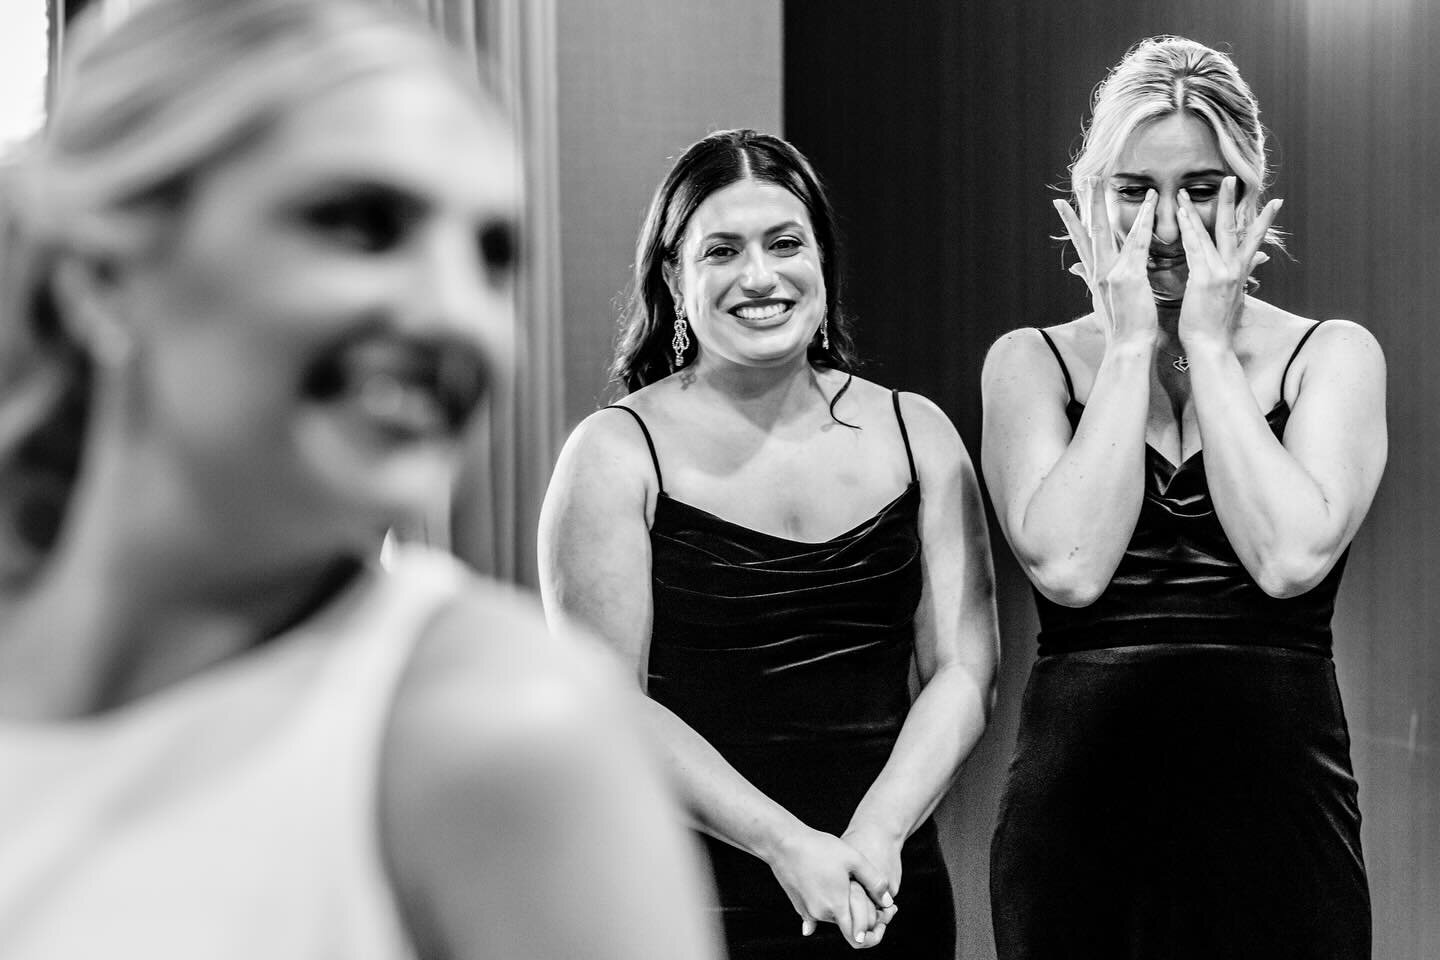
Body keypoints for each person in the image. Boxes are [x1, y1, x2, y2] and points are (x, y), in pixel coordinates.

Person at [0, 1, 720, 957]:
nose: (454, 315)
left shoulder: (506, 740)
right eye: (359, 224)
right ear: (102, 279)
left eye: (492, 255)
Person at [539, 128, 999, 957]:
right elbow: (609, 706)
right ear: (673, 279)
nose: (760, 276)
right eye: (722, 250)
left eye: (785, 243)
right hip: (696, 906)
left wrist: (874, 838)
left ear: (821, 261)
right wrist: (789, 847)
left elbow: (964, 669)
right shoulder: (612, 455)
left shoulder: (916, 431)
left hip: (885, 888)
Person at [982, 36, 1386, 959]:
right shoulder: (1027, 363)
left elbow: (1288, 559)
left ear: (1247, 194)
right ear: (1093, 196)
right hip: (1077, 826)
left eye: (1200, 190)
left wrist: (1206, 343)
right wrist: (1127, 349)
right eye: (1135, 191)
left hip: (1282, 826)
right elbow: (1072, 569)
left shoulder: (1335, 355)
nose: (1165, 228)